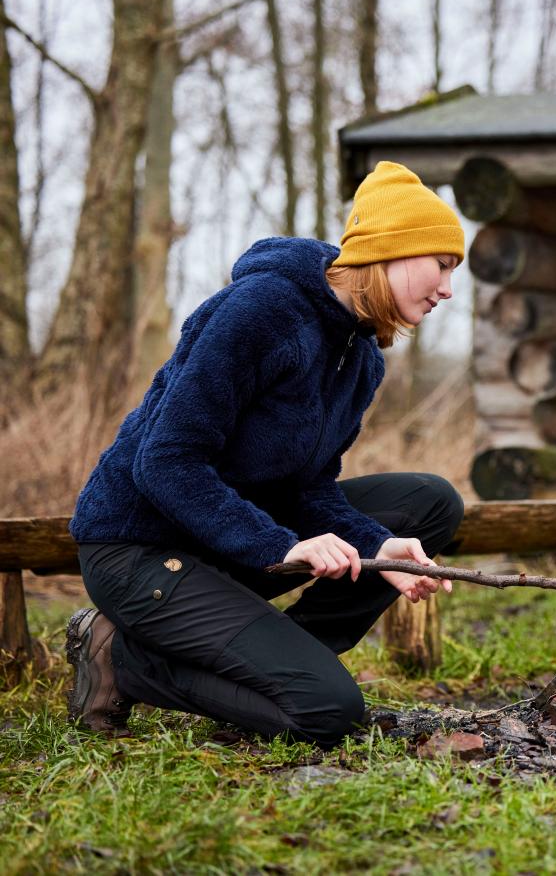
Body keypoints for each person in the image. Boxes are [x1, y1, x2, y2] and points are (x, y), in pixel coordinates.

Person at [65, 162, 466, 747]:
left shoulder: (360, 360)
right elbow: (166, 461)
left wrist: (377, 544)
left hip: (226, 548)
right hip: (141, 553)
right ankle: (122, 658)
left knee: (428, 503)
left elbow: (309, 490)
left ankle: (285, 659)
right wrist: (282, 545)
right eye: (442, 265)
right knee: (327, 714)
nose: (448, 290)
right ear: (391, 251)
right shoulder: (262, 309)